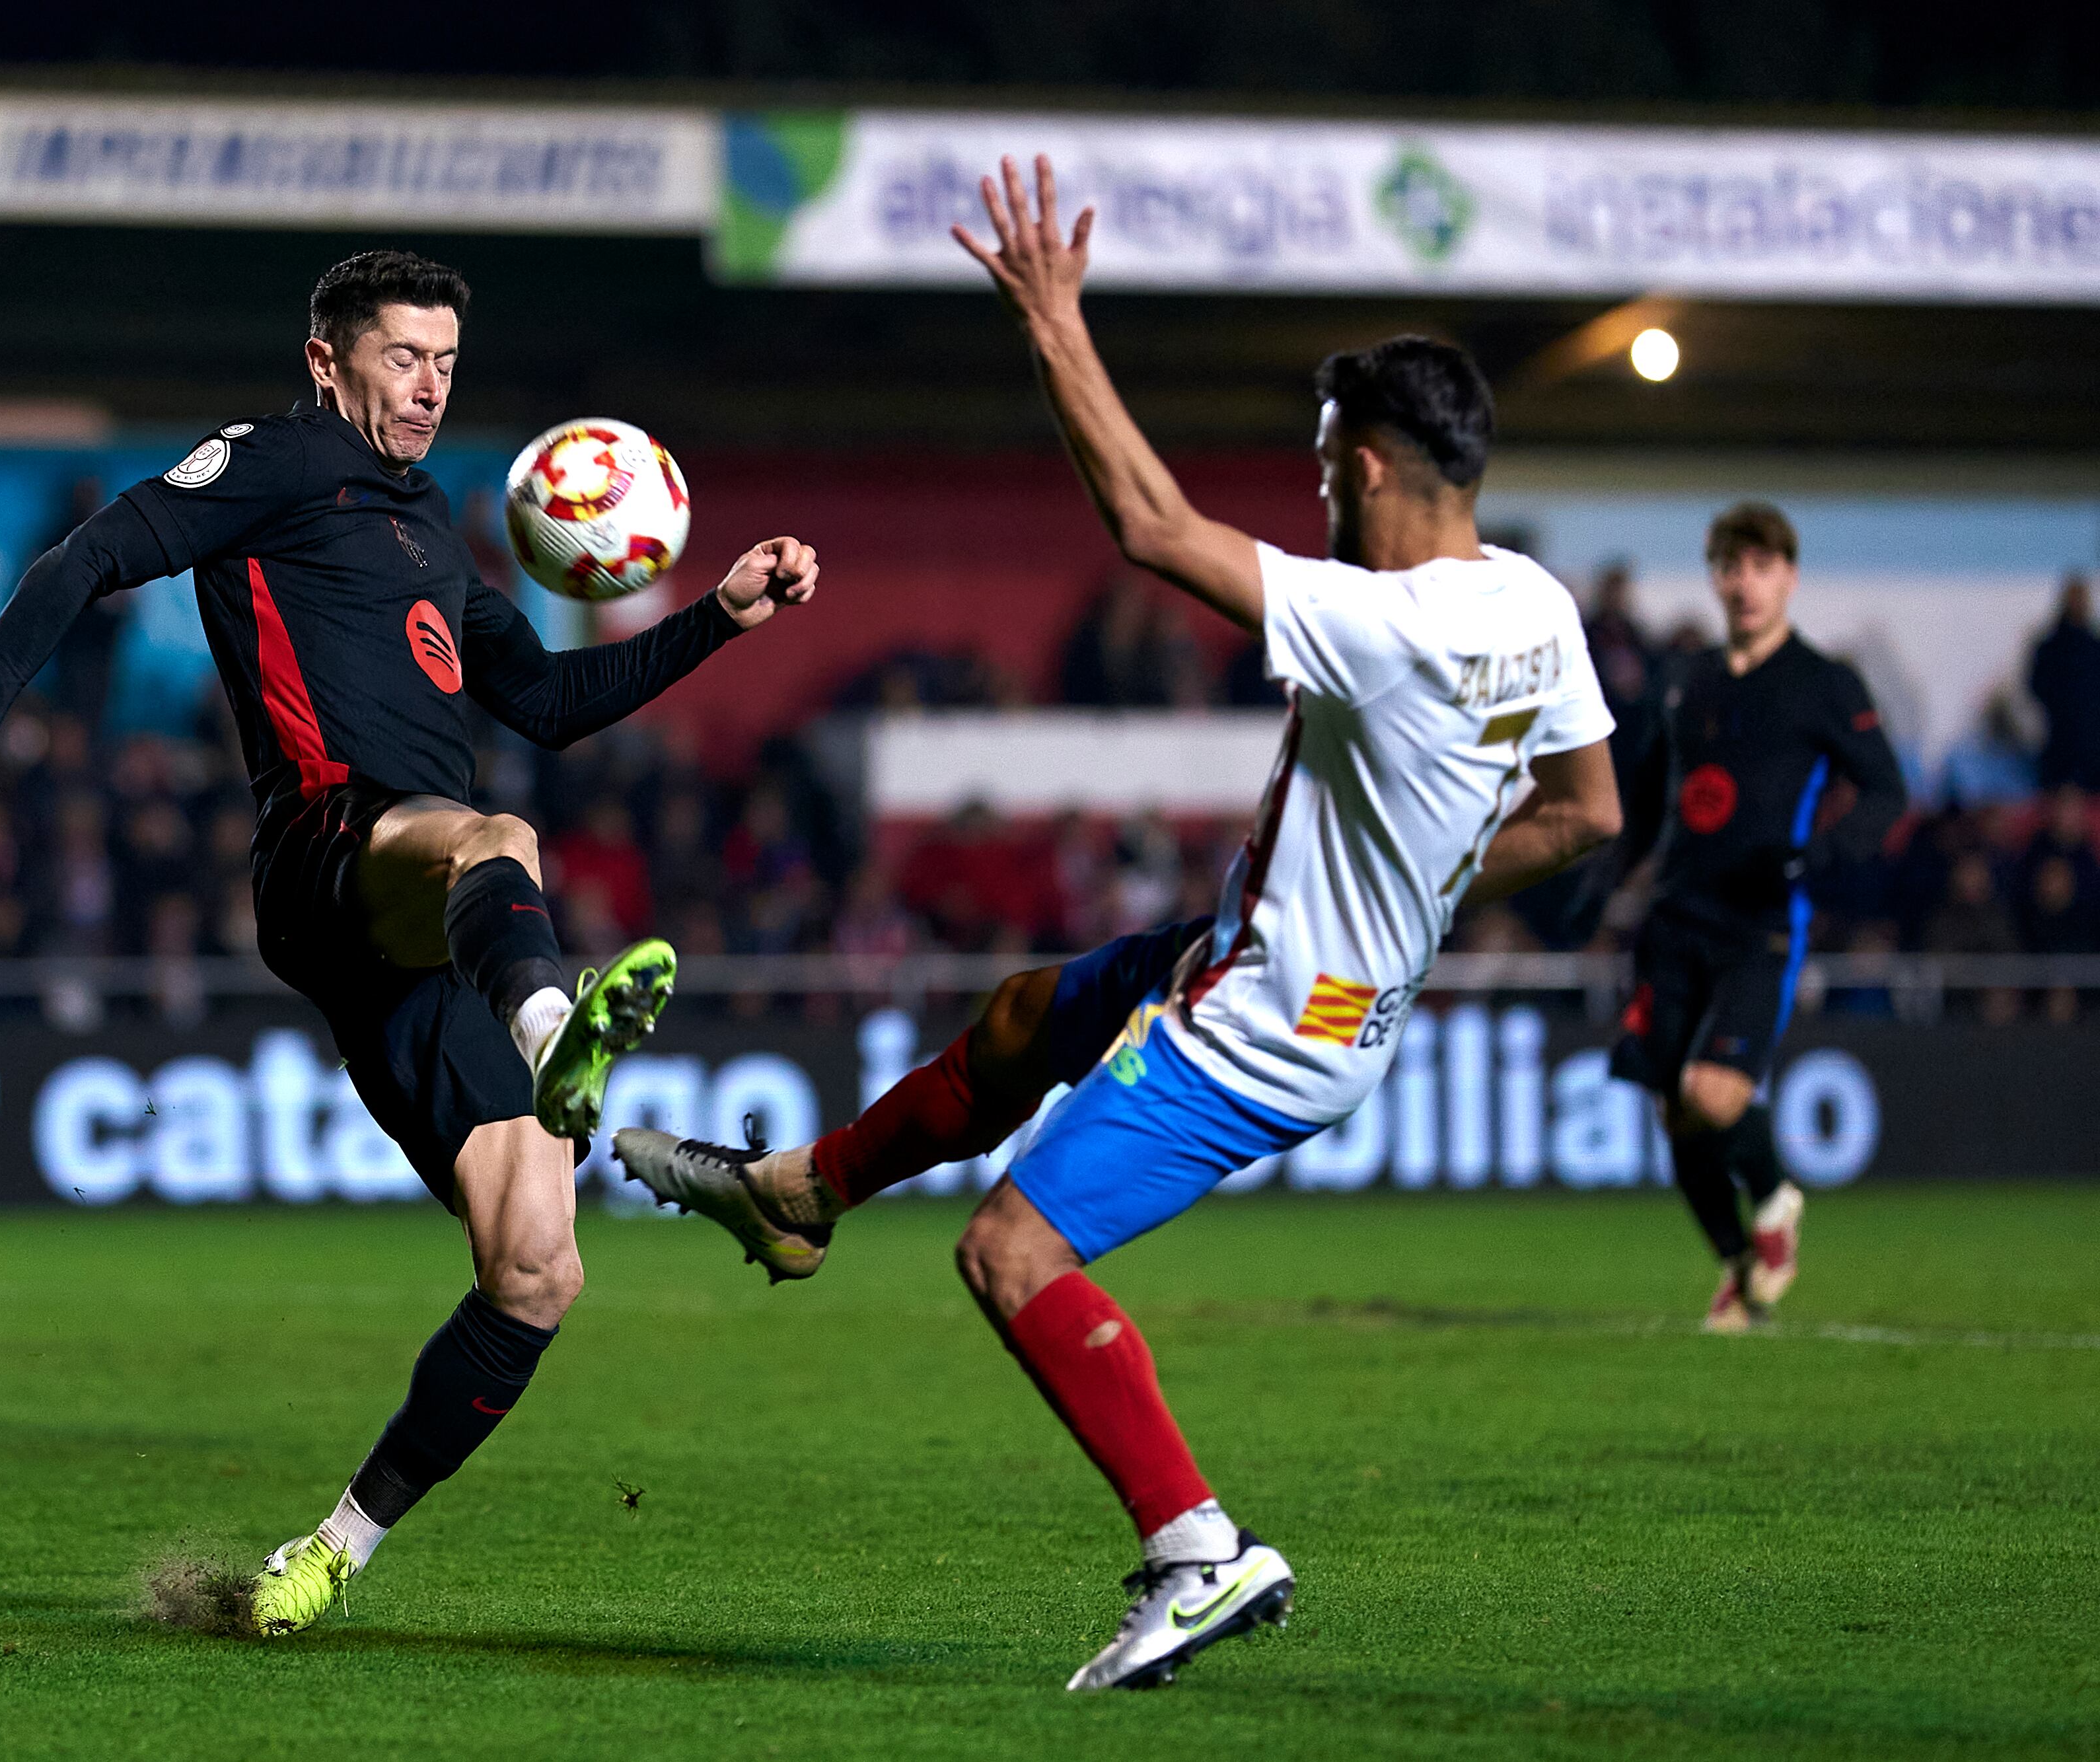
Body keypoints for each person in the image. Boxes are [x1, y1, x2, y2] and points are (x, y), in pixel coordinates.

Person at [615, 157, 1620, 1694]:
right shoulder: (1534, 607)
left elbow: (1151, 528)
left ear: (1374, 465)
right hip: (1307, 980)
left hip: (1263, 1018)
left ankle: (1194, 1549)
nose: (1318, 487)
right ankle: (803, 1193)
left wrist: (1052, 321)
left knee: (1009, 1253)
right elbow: (1586, 815)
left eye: (1328, 461)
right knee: (1027, 1013)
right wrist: (1422, 887)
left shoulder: (1386, 617)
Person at [0, 249, 818, 1637]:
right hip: (327, 853)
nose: (427, 384)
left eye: (444, 361)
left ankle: (326, 1550)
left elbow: (548, 697)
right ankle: (557, 1035)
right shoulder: (271, 462)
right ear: (329, 361)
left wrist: (719, 616)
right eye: (400, 357)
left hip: (426, 949)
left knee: (538, 1270)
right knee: (497, 841)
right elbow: (87, 558)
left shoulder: (429, 520)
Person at [1612, 502, 1906, 1335]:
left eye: (1760, 567)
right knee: (1670, 1110)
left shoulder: (1824, 682)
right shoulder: (1685, 680)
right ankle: (1740, 1267)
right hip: (1673, 919)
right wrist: (1604, 880)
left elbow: (1886, 790)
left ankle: (1775, 1196)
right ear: (1714, 576)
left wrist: (1823, 855)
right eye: (1729, 567)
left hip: (1760, 924)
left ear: (1789, 576)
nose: (1744, 584)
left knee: (1710, 1096)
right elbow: (1644, 799)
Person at [2029, 572, 2100, 791]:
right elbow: (2037, 687)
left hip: (2092, 745)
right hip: (2060, 740)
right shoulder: (2050, 648)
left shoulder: (2094, 647)